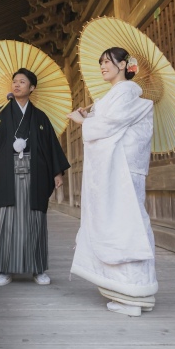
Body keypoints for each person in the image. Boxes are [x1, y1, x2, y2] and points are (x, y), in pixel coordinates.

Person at [67, 47, 157, 316]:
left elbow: (110, 125)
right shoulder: (116, 94)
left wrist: (83, 121)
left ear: (123, 65)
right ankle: (131, 293)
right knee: (124, 223)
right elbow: (108, 120)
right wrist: (91, 114)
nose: (103, 66)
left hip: (123, 170)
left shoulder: (127, 92)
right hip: (121, 169)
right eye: (101, 62)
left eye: (108, 61)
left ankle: (132, 295)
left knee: (126, 225)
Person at [0, 68, 70, 286]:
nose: (16, 85)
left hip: (34, 173)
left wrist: (57, 172)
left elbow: (51, 146)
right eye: (14, 82)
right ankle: (5, 270)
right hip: (7, 173)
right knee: (7, 221)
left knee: (34, 220)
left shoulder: (40, 117)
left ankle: (37, 269)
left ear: (32, 88)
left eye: (22, 82)